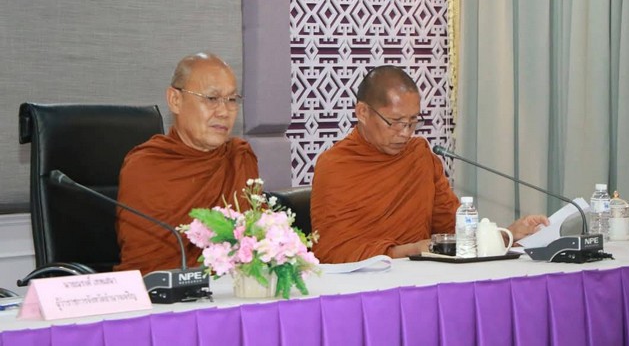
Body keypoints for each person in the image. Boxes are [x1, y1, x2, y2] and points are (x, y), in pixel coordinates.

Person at [310, 65, 548, 263]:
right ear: (362, 112)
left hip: (424, 278)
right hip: (367, 287)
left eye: (413, 121)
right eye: (395, 122)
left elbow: (452, 229)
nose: (406, 133)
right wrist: (408, 251)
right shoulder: (336, 166)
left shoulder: (419, 156)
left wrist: (505, 235)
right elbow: (332, 252)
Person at [115, 52, 259, 274]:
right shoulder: (146, 167)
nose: (224, 112)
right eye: (211, 98)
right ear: (175, 100)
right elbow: (147, 270)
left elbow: (258, 243)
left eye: (232, 100)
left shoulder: (239, 157)